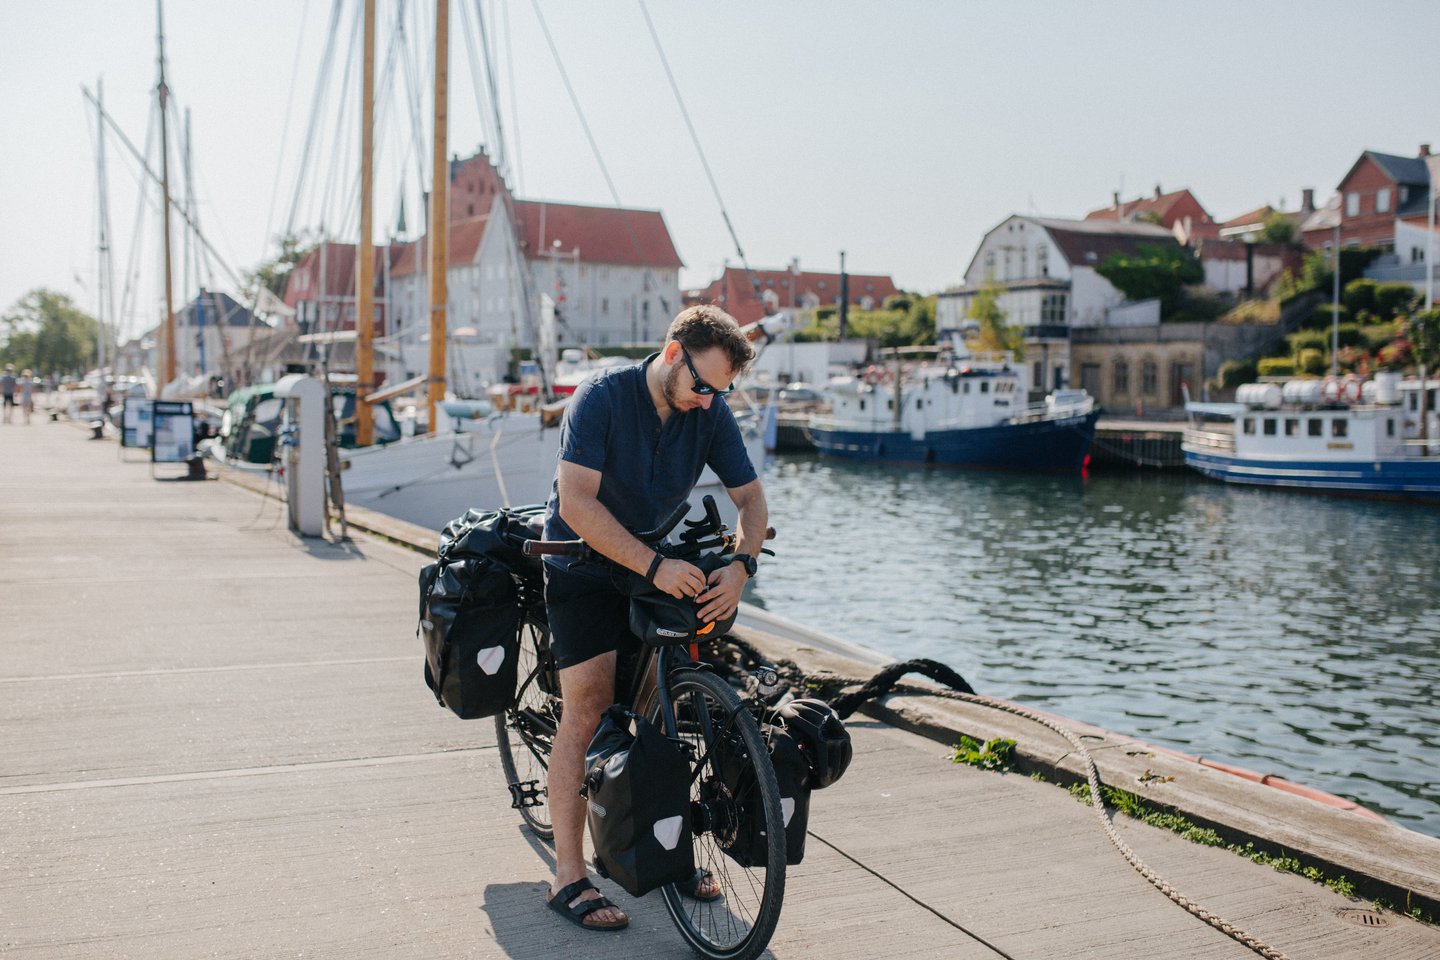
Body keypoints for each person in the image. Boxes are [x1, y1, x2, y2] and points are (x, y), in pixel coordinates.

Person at [540, 304, 768, 932]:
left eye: (719, 392)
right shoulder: (601, 397)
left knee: (659, 710)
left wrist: (742, 566)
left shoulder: (709, 409)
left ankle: (658, 844)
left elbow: (751, 499)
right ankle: (569, 875)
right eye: (702, 385)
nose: (707, 402)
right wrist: (653, 567)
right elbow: (577, 503)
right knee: (588, 706)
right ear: (673, 354)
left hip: (650, 560)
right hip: (581, 563)